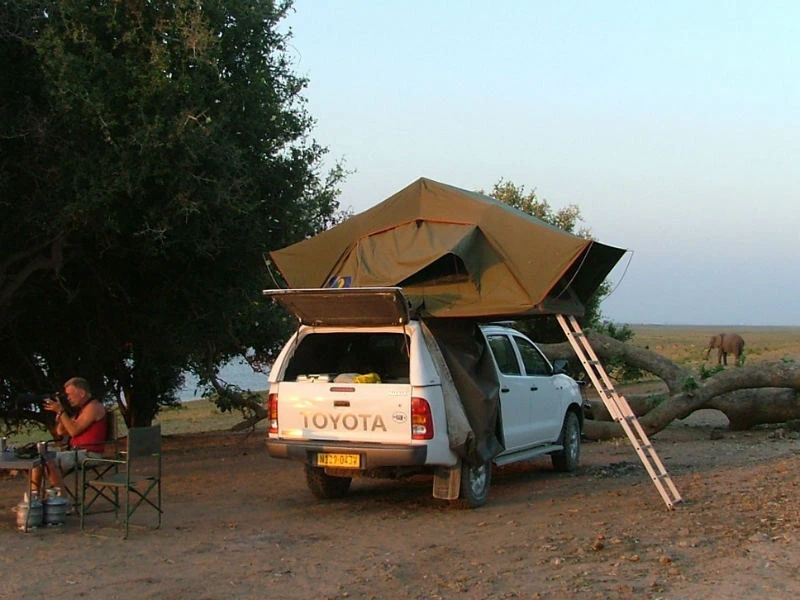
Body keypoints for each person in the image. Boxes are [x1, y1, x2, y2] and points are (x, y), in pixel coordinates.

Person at [31, 376, 107, 496]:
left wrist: (61, 412)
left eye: (70, 395)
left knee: (48, 460)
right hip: (77, 451)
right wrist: (61, 414)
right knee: (38, 457)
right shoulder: (81, 410)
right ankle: (34, 496)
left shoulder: (93, 407)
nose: (68, 398)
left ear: (81, 393)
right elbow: (61, 432)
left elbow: (73, 431)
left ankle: (63, 500)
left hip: (90, 453)